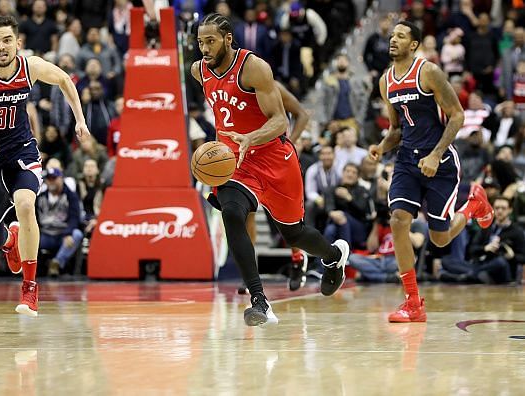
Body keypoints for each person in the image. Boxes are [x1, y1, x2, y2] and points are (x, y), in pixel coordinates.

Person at [192, 13, 348, 327]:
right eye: (200, 42)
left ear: (228, 39)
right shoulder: (199, 71)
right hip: (235, 161)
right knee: (232, 213)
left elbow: (281, 120)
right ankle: (260, 301)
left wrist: (252, 137)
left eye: (210, 41)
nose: (204, 48)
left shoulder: (254, 68)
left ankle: (333, 258)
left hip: (274, 158)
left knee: (294, 235)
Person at [0, 15, 90, 317]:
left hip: (20, 149)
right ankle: (10, 240)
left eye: (7, 40)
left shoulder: (29, 66)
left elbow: (64, 79)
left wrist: (80, 119)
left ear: (17, 43)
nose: (2, 46)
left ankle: (30, 288)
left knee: (25, 204)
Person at [368, 21, 493, 323]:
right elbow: (397, 129)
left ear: (413, 44)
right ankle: (413, 301)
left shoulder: (429, 72)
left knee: (439, 240)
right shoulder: (386, 81)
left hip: (441, 163)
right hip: (407, 163)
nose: (393, 40)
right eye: (392, 35)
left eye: (401, 36)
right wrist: (382, 147)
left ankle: (474, 205)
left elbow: (458, 115)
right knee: (398, 220)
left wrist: (436, 154)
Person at [239, 80, 311, 294]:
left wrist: (292, 142)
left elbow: (302, 115)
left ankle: (298, 259)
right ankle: (250, 274)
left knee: (286, 219)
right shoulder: (232, 91)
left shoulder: (271, 87)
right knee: (246, 215)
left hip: (276, 161)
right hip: (250, 162)